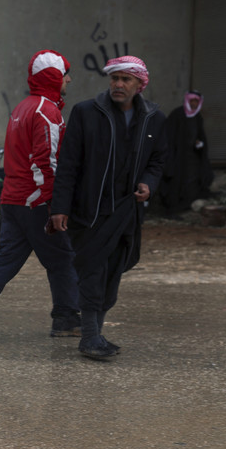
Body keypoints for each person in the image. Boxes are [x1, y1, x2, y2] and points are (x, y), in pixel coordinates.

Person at [0, 50, 80, 340]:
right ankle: (66, 318)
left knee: (7, 258)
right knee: (62, 259)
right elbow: (47, 162)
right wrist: (54, 203)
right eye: (65, 75)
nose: (69, 80)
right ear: (53, 77)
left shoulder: (23, 107)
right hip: (35, 201)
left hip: (12, 198)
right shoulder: (47, 112)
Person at [50, 55, 167, 359]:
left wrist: (148, 183)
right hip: (90, 211)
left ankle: (96, 334)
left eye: (126, 79)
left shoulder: (154, 118)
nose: (118, 84)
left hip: (127, 211)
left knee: (114, 271)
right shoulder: (87, 112)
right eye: (114, 78)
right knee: (92, 270)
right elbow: (68, 164)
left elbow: (158, 161)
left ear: (140, 84)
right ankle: (89, 337)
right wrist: (59, 207)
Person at [158, 91, 212, 215]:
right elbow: (168, 137)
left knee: (191, 184)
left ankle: (185, 208)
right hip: (176, 157)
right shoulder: (177, 115)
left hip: (192, 158)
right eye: (192, 101)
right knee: (175, 183)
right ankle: (172, 210)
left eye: (196, 101)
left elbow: (200, 136)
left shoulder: (197, 117)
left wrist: (199, 144)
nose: (193, 104)